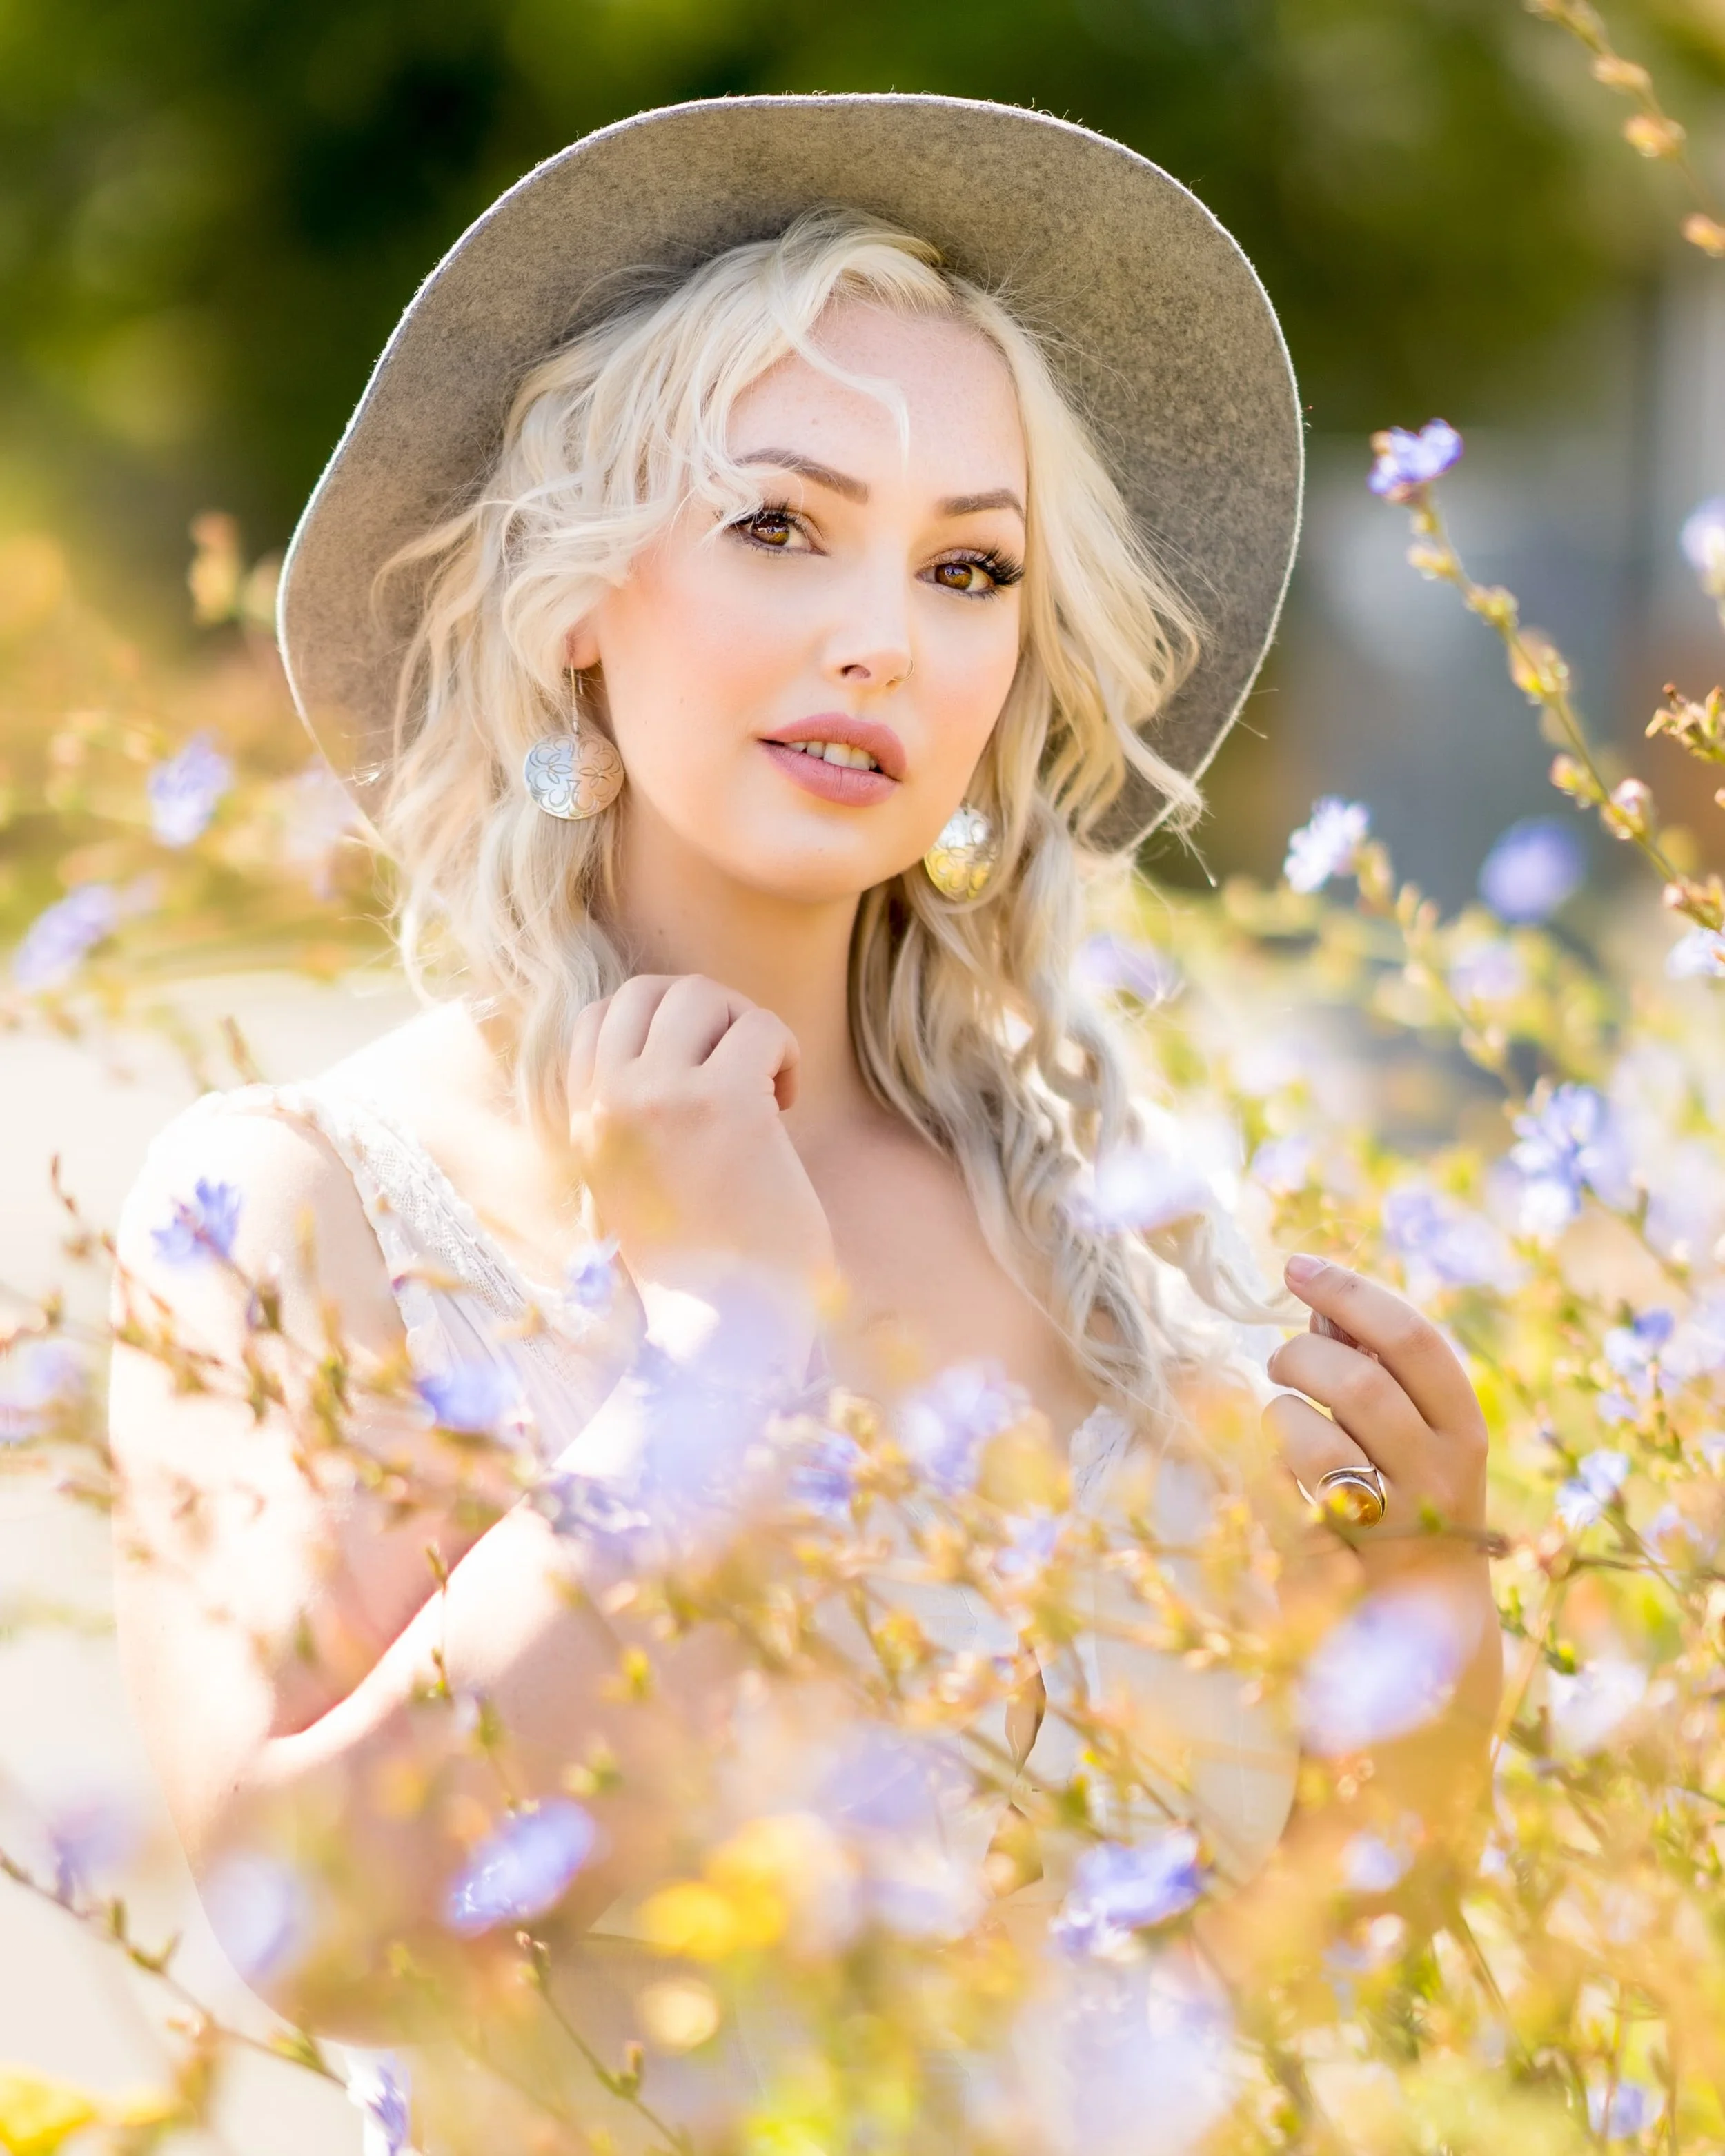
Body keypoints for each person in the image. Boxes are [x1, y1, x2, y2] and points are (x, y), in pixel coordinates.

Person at [107, 96, 1499, 2153]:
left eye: (965, 567)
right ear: (576, 589)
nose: (882, 632)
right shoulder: (291, 1201)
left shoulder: (1140, 1236)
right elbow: (304, 1918)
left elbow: (1327, 1971)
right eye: (779, 523)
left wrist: (1437, 1608)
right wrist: (701, 1372)